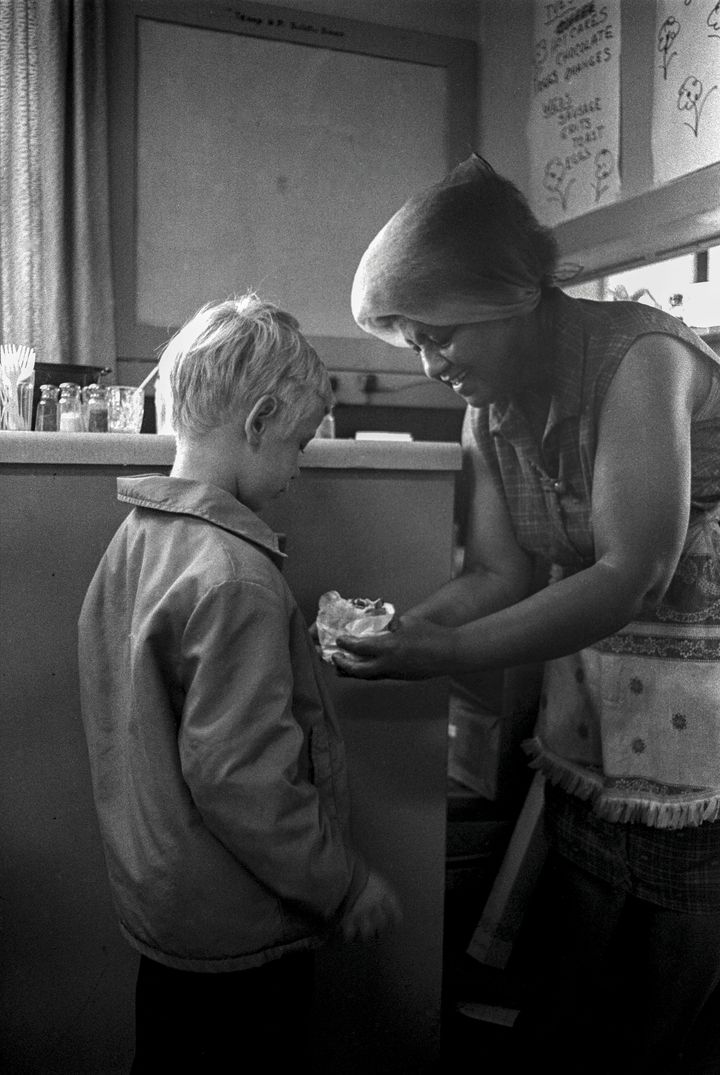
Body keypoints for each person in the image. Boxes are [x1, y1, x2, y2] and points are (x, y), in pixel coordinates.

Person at [335, 154, 720, 1075]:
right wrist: (400, 630)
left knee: (670, 1014)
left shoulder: (640, 358)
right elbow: (503, 569)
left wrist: (448, 649)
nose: (432, 366)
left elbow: (635, 568)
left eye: (441, 336)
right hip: (599, 724)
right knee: (579, 994)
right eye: (413, 343)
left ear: (511, 298)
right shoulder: (491, 407)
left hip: (707, 744)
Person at [77, 294, 400, 1073]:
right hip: (239, 923)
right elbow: (242, 777)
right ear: (256, 423)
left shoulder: (135, 543)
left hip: (162, 901)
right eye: (297, 444)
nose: (297, 468)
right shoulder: (238, 580)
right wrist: (343, 882)